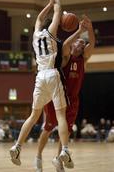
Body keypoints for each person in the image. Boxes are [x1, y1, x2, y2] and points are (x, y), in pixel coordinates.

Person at [9, 0, 72, 167]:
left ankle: (17, 146)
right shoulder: (51, 32)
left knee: (34, 115)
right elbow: (58, 13)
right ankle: (65, 149)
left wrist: (49, 5)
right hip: (52, 74)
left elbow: (39, 18)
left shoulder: (36, 36)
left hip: (40, 76)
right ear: (50, 26)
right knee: (61, 114)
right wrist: (56, 2)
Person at [34, 15, 95, 172]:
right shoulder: (66, 56)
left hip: (72, 100)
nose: (82, 43)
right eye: (79, 41)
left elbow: (92, 44)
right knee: (48, 128)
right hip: (56, 95)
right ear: (74, 44)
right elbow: (67, 43)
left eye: (83, 43)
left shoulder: (83, 59)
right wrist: (80, 31)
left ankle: (59, 159)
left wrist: (90, 29)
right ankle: (38, 156)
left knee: (66, 130)